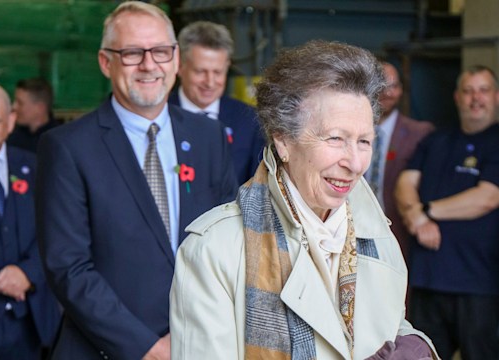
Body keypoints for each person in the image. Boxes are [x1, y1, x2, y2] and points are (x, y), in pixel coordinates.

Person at [170, 40, 439, 360]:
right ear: (283, 140)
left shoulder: (377, 235)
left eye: (364, 141)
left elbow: (386, 326)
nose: (354, 163)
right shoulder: (214, 249)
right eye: (335, 138)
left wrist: (414, 344)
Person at [36, 2, 238, 359]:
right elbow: (68, 267)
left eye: (160, 51)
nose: (149, 65)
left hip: (199, 343)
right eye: (132, 53)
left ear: (176, 59)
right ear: (105, 62)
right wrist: (146, 347)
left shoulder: (210, 137)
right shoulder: (67, 147)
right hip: (105, 350)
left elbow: (229, 244)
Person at [395, 65, 499, 360]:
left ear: (497, 97)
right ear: (457, 97)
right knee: (421, 356)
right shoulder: (435, 140)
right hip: (428, 278)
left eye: (483, 90)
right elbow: (405, 182)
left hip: (477, 283)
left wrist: (426, 212)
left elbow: (487, 197)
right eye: (468, 91)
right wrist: (415, 216)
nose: (475, 98)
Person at [0, 84, 60, 359]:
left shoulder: (37, 168)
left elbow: (59, 232)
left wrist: (29, 273)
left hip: (32, 324)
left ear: (10, 122)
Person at [170, 20, 265, 185]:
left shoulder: (248, 120)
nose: (210, 82)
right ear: (179, 66)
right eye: (200, 71)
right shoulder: (159, 114)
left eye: (218, 72)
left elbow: (257, 188)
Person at [365, 61, 434, 259]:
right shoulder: (349, 132)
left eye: (393, 86)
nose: (387, 93)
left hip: (399, 234)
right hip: (352, 232)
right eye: (381, 86)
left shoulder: (420, 133)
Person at [8, 78, 60, 153]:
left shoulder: (58, 140)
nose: (14, 107)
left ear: (40, 108)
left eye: (20, 103)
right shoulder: (11, 136)